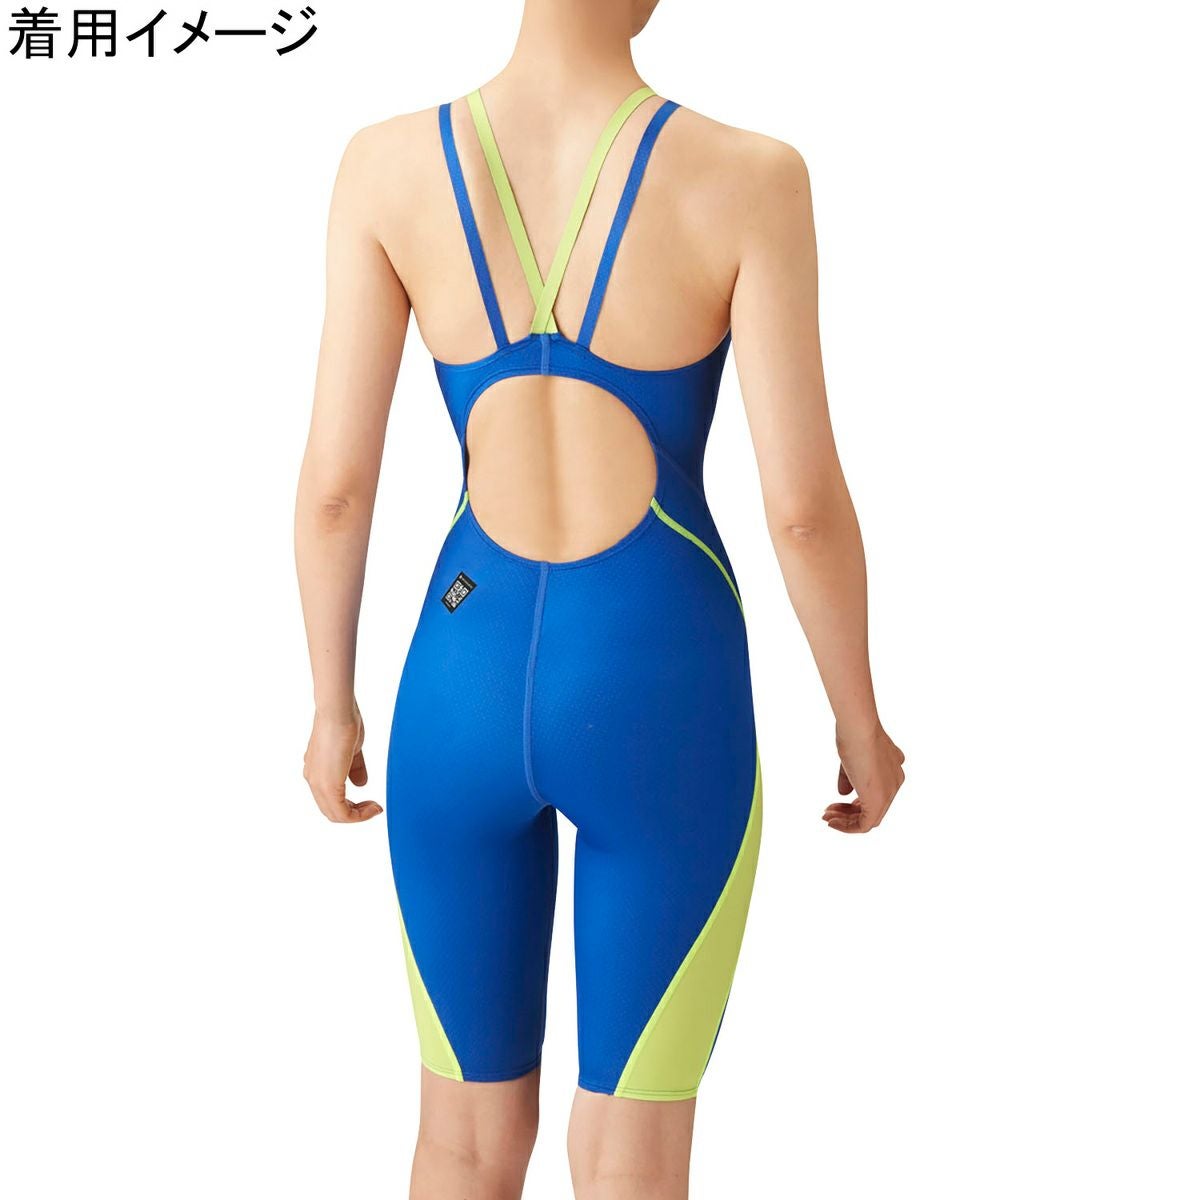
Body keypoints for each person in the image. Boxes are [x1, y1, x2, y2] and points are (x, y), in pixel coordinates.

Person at [294, 1, 905, 1196]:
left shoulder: (384, 166)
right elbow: (802, 508)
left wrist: (330, 702)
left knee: (461, 1141)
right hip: (659, 679)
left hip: (459, 678)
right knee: (631, 1152)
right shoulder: (751, 177)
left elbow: (333, 491)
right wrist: (859, 719)